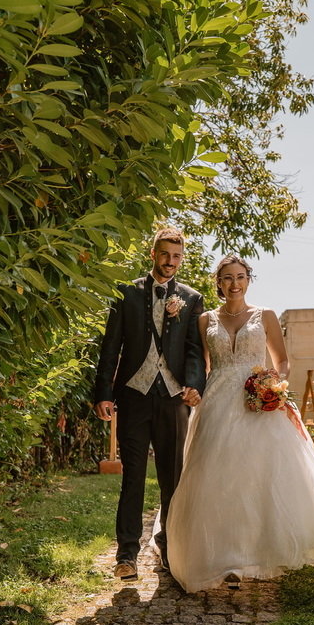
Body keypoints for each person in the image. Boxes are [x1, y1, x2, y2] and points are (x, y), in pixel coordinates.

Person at [166, 255, 314, 593]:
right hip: (218, 402)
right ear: (218, 282)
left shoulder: (265, 315)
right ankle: (225, 556)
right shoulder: (205, 319)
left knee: (261, 473)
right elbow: (202, 365)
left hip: (258, 400)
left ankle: (259, 551)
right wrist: (193, 389)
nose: (235, 284)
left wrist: (273, 384)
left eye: (241, 276)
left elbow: (282, 360)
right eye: (228, 278)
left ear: (249, 279)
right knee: (217, 475)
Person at [93, 227, 206, 581]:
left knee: (173, 480)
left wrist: (193, 385)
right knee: (133, 479)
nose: (170, 262)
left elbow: (194, 350)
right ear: (153, 253)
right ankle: (126, 555)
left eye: (177, 256)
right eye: (165, 254)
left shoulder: (191, 298)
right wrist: (103, 392)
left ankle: (168, 550)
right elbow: (111, 347)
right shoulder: (126, 293)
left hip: (173, 399)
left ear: (181, 258)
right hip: (134, 396)